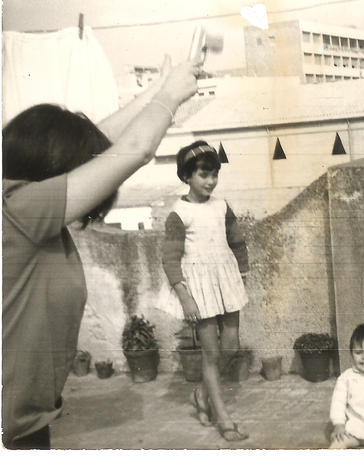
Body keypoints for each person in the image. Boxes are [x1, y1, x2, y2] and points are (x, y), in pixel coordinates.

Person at [2, 56, 199, 449]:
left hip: (25, 424)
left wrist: (152, 93)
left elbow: (95, 148)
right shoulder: (19, 208)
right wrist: (170, 97)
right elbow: (133, 151)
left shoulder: (23, 206)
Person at [161, 140, 249, 442]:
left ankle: (201, 393)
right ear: (187, 176)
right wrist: (186, 298)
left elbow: (237, 242)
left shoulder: (222, 207)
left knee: (232, 346)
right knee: (211, 353)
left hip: (226, 280)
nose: (210, 181)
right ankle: (223, 418)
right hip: (199, 288)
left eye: (214, 175)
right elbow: (170, 259)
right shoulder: (178, 214)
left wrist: (242, 277)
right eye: (203, 175)